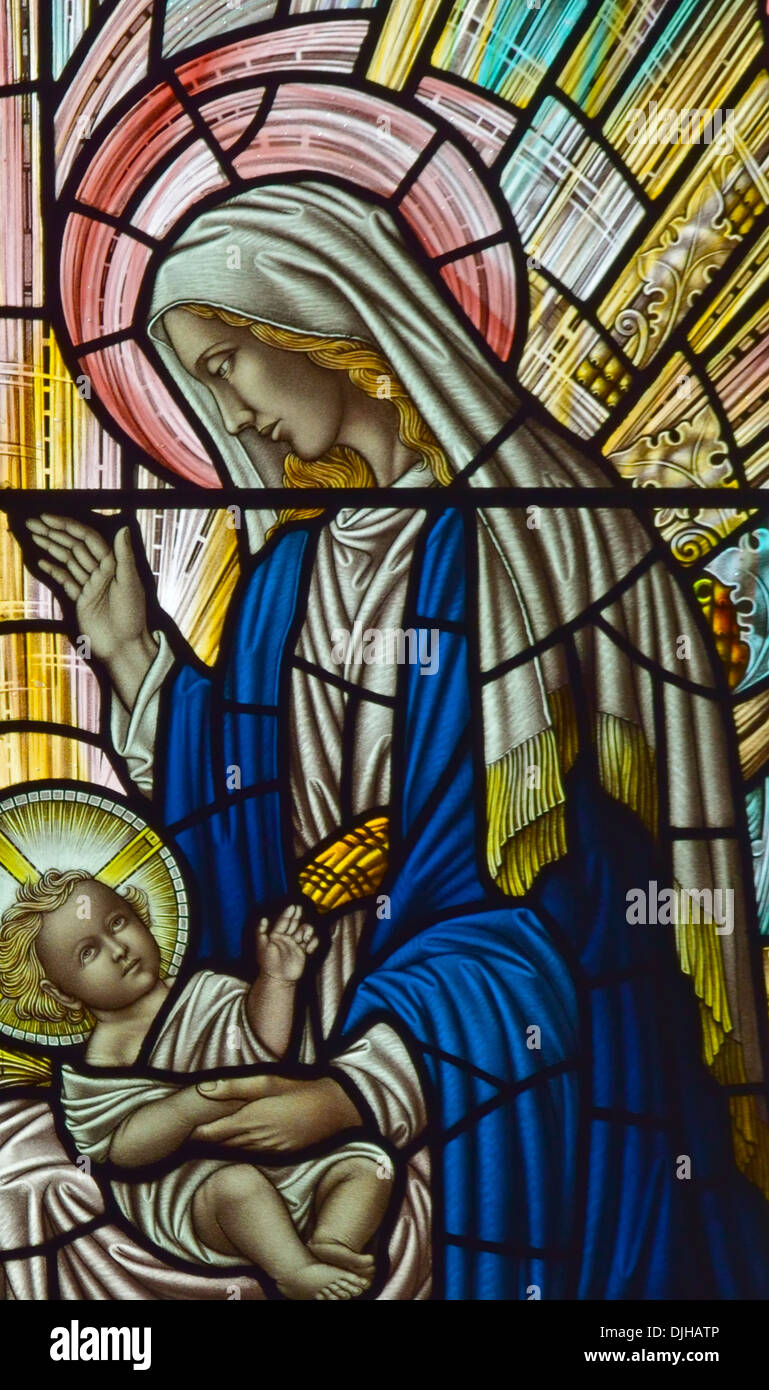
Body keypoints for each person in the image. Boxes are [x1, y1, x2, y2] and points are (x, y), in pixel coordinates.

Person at [24, 180, 769, 1298]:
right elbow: (232, 812)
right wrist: (132, 653)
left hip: (487, 1095)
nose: (228, 417)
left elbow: (556, 900)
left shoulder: (524, 551)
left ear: (321, 321)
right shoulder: (281, 582)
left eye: (224, 364)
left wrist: (364, 1086)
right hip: (299, 1046)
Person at [0, 869, 391, 1299]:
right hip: (195, 1197)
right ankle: (292, 1271)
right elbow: (123, 1150)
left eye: (117, 922)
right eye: (88, 952)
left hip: (285, 1158)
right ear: (63, 995)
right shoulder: (100, 1064)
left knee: (369, 1165)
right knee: (238, 1184)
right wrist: (189, 1105)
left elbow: (261, 1046)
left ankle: (330, 1243)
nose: (117, 949)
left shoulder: (206, 989)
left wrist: (278, 981)